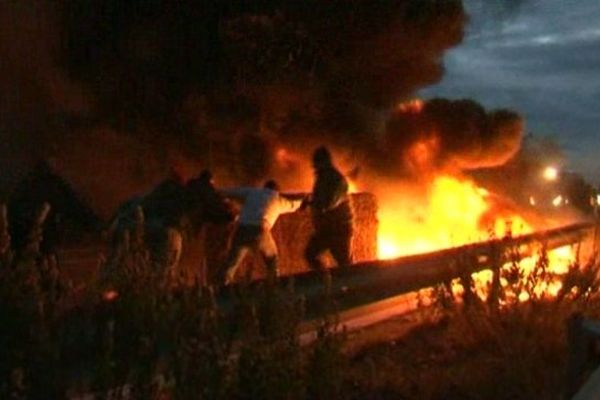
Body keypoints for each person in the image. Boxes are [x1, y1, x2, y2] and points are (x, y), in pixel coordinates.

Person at [220, 180, 304, 285]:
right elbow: (293, 205)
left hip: (242, 230)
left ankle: (223, 288)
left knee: (232, 262)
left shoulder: (252, 192)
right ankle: (274, 285)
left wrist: (218, 191)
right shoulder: (277, 199)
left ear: (264, 187)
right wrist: (304, 200)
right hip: (260, 231)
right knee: (272, 258)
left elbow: (233, 192)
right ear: (276, 190)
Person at [304, 146, 354, 271]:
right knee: (310, 254)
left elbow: (329, 203)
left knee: (345, 265)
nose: (314, 167)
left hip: (339, 229)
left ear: (323, 162)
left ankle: (352, 286)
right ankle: (325, 280)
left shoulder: (338, 180)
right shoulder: (321, 178)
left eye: (316, 163)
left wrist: (312, 203)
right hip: (326, 229)